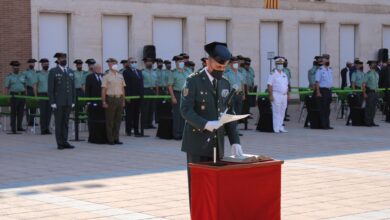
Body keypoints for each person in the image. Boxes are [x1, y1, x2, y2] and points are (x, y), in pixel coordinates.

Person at [181, 42, 243, 205]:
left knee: (215, 187)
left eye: (224, 68)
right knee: (198, 188)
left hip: (218, 143)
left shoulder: (224, 83)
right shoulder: (193, 81)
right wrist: (206, 124)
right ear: (208, 61)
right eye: (218, 67)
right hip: (197, 142)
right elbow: (185, 110)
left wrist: (235, 141)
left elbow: (229, 113)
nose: (220, 71)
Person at [48, 52, 76, 150]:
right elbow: (51, 88)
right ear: (58, 60)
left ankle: (65, 141)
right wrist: (52, 102)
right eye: (61, 58)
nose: (64, 60)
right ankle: (59, 143)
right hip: (58, 102)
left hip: (68, 102)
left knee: (65, 122)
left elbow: (73, 87)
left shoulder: (70, 71)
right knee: (59, 123)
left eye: (65, 58)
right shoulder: (53, 71)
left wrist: (73, 100)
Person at [101, 58, 126, 145]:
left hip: (119, 98)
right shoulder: (106, 76)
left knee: (118, 120)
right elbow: (104, 90)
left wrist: (123, 100)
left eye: (115, 63)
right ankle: (110, 139)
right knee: (110, 120)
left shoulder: (120, 76)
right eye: (112, 63)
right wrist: (104, 101)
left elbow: (122, 88)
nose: (114, 65)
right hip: (111, 98)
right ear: (109, 65)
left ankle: (116, 138)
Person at [85, 64, 108, 144]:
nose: (98, 69)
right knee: (93, 119)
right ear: (94, 69)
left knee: (102, 120)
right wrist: (88, 101)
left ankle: (102, 137)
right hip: (93, 102)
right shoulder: (90, 77)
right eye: (97, 68)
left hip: (102, 102)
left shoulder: (104, 76)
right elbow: (87, 90)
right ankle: (93, 137)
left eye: (99, 68)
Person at [168, 55, 188, 140]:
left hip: (186, 94)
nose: (181, 63)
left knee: (185, 115)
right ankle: (176, 134)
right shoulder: (173, 73)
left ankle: (184, 133)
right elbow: (169, 86)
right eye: (179, 62)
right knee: (177, 115)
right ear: (176, 63)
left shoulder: (188, 71)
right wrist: (173, 97)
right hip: (177, 94)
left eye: (182, 62)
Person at [267, 57, 289, 133]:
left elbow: (286, 85)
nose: (280, 65)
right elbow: (269, 85)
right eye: (279, 64)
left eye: (281, 64)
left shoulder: (284, 74)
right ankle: (275, 127)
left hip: (284, 95)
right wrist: (270, 95)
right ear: (276, 64)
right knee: (276, 111)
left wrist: (287, 94)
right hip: (276, 94)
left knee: (283, 111)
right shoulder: (273, 73)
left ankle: (280, 126)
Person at [123, 57, 144, 137]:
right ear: (128, 63)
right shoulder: (126, 72)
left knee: (136, 114)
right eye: (132, 62)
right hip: (131, 96)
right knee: (129, 114)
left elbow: (141, 83)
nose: (134, 63)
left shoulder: (139, 71)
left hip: (139, 96)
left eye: (135, 61)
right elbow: (126, 85)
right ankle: (128, 130)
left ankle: (136, 130)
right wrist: (127, 97)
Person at [4, 61, 26, 134]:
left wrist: (25, 95)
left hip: (22, 95)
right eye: (15, 67)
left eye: (17, 67)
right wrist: (7, 97)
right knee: (13, 112)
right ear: (12, 68)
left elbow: (25, 85)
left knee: (21, 112)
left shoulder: (22, 75)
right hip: (14, 95)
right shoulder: (9, 76)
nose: (16, 69)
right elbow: (6, 87)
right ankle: (13, 128)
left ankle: (19, 126)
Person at [315, 56, 333, 130]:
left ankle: (327, 124)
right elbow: (317, 82)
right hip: (323, 90)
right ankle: (323, 124)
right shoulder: (320, 70)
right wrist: (318, 92)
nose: (328, 60)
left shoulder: (329, 69)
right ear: (323, 61)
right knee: (323, 108)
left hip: (329, 90)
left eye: (328, 59)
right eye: (326, 59)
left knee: (327, 109)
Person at [35, 58, 52, 134]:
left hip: (50, 95)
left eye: (47, 64)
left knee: (49, 113)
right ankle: (43, 129)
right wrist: (36, 96)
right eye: (45, 64)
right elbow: (35, 85)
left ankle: (47, 128)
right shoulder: (38, 74)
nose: (46, 65)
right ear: (42, 65)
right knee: (43, 113)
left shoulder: (50, 73)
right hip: (42, 94)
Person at [141, 57, 158, 129]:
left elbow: (156, 83)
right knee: (145, 108)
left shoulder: (154, 72)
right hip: (146, 90)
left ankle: (150, 123)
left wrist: (157, 92)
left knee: (152, 108)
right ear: (145, 63)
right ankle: (144, 124)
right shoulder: (142, 72)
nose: (150, 63)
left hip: (153, 91)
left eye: (151, 61)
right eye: (148, 61)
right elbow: (140, 83)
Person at [362, 60, 380, 127]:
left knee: (373, 108)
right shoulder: (368, 74)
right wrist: (364, 93)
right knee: (369, 107)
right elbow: (363, 84)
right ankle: (367, 122)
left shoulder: (377, 73)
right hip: (370, 92)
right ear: (370, 66)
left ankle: (372, 121)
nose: (374, 64)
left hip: (375, 92)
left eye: (375, 63)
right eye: (373, 64)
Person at [24, 58, 38, 126]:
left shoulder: (36, 72)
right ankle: (29, 121)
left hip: (35, 90)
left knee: (34, 106)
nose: (32, 64)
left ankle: (33, 121)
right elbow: (24, 83)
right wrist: (26, 92)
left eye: (33, 63)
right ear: (28, 64)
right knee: (29, 106)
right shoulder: (25, 72)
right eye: (30, 63)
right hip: (29, 90)